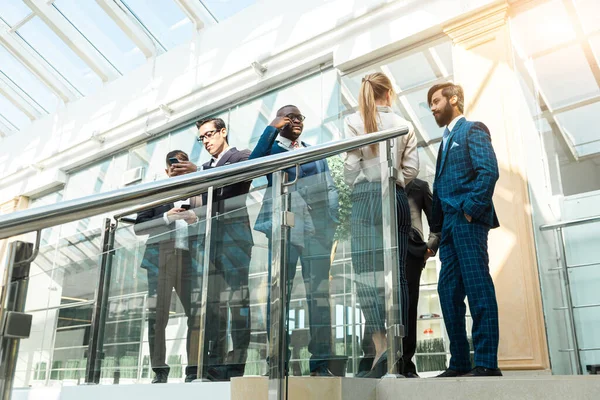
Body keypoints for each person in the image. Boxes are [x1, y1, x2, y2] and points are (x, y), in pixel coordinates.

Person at [249, 105, 339, 377]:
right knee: (278, 297)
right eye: (290, 117)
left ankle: (321, 364)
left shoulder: (314, 151)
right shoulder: (271, 149)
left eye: (300, 116)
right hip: (283, 231)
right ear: (281, 121)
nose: (296, 120)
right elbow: (251, 166)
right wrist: (271, 128)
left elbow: (330, 188)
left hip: (315, 234)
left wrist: (330, 225)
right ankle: (277, 362)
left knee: (319, 297)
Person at [344, 72, 419, 378]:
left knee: (364, 272)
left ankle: (380, 346)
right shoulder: (405, 124)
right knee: (397, 272)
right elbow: (412, 168)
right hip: (396, 197)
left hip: (364, 199)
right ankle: (397, 347)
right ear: (389, 93)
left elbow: (349, 168)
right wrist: (396, 178)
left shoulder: (353, 122)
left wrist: (359, 179)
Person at [427, 82, 501, 377]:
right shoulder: (443, 142)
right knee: (447, 292)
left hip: (468, 221)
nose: (432, 107)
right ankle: (458, 361)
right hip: (448, 229)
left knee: (478, 288)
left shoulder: (473, 129)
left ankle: (485, 362)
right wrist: (436, 233)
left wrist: (470, 210)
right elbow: (439, 190)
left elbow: (488, 171)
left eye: (435, 101)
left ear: (453, 99)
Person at [194, 117, 254, 380]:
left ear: (223, 131)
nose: (206, 141)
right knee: (213, 304)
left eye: (209, 134)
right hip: (211, 241)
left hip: (235, 240)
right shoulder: (203, 168)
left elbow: (235, 184)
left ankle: (236, 363)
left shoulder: (241, 156)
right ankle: (213, 361)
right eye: (202, 138)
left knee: (238, 300)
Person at [134, 150, 201, 384]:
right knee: (157, 316)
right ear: (166, 170)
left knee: (197, 314)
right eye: (173, 165)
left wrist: (195, 218)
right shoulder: (156, 194)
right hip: (159, 260)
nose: (178, 168)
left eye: (182, 164)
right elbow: (138, 227)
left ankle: (193, 368)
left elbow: (210, 217)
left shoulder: (196, 194)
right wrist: (166, 218)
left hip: (189, 261)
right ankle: (159, 370)